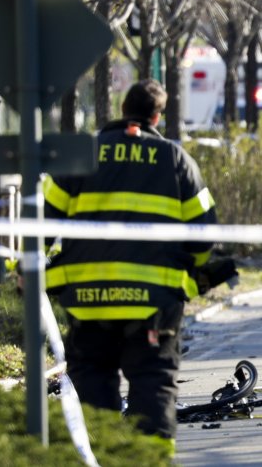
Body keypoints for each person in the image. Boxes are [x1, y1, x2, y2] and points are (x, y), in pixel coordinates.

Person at [43, 80, 222, 447]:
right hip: (153, 304)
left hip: (88, 300)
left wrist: (25, 272)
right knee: (152, 382)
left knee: (92, 381)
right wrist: (191, 272)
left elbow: (41, 224)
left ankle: (101, 456)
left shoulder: (81, 156)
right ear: (157, 116)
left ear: (122, 110)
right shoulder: (176, 161)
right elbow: (204, 235)